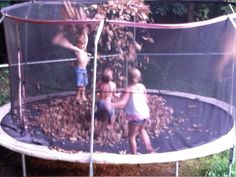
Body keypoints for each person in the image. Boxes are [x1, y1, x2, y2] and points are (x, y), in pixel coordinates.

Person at [112, 68, 154, 154]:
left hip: (136, 116)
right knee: (142, 130)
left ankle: (133, 154)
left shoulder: (129, 89)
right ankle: (150, 149)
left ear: (128, 78)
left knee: (131, 136)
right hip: (144, 114)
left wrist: (111, 105)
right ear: (139, 78)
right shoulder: (142, 87)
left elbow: (122, 103)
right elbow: (146, 100)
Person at [52, 28, 89, 101]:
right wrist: (61, 41)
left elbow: (86, 41)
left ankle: (83, 95)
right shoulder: (77, 50)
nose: (83, 45)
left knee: (84, 84)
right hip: (79, 69)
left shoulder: (84, 49)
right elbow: (69, 45)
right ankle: (78, 96)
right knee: (79, 84)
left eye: (84, 44)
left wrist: (85, 32)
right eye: (82, 44)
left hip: (84, 69)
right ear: (78, 44)